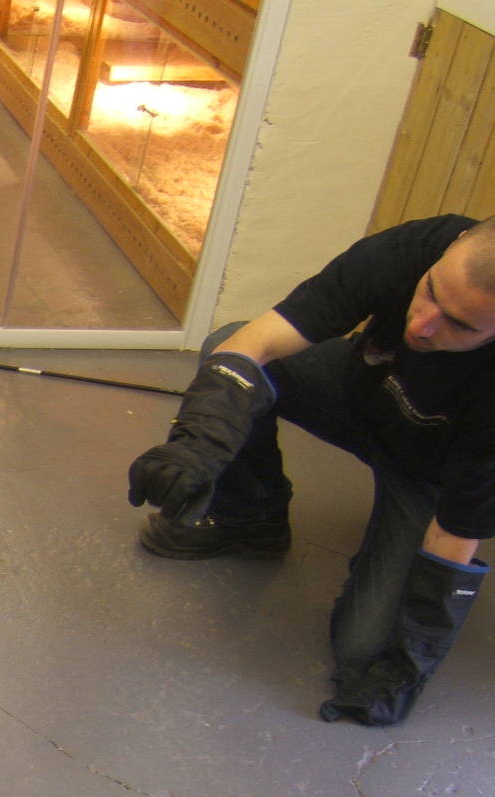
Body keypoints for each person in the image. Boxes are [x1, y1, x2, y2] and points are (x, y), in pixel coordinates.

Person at [128, 213, 495, 728]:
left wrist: (411, 662)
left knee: (365, 652)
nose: (421, 326)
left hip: (429, 478)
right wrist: (198, 443)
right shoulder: (415, 247)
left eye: (460, 325)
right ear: (452, 248)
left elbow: (455, 536)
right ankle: (250, 518)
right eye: (430, 291)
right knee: (228, 353)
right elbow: (253, 344)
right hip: (363, 394)